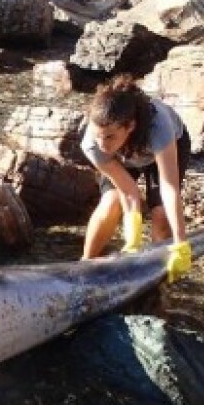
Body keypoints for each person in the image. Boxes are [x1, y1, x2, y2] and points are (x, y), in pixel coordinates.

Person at [79, 74, 193, 283]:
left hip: (163, 148)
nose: (102, 144)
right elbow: (129, 191)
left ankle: (158, 273)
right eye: (98, 135)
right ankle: (84, 267)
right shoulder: (92, 144)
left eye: (110, 136)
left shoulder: (159, 125)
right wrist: (132, 238)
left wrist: (181, 243)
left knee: (160, 214)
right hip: (123, 156)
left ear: (129, 126)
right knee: (110, 203)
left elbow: (169, 188)